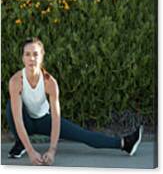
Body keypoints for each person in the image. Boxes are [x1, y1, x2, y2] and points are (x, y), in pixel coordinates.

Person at [6, 37, 143, 166]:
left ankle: (125, 144)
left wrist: (52, 150)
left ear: (42, 56)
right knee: (10, 107)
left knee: (83, 135)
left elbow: (56, 118)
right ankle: (22, 143)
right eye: (27, 54)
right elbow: (18, 120)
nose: (32, 58)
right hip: (25, 121)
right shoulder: (16, 81)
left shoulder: (50, 82)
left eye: (35, 54)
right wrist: (31, 151)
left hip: (44, 121)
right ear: (22, 58)